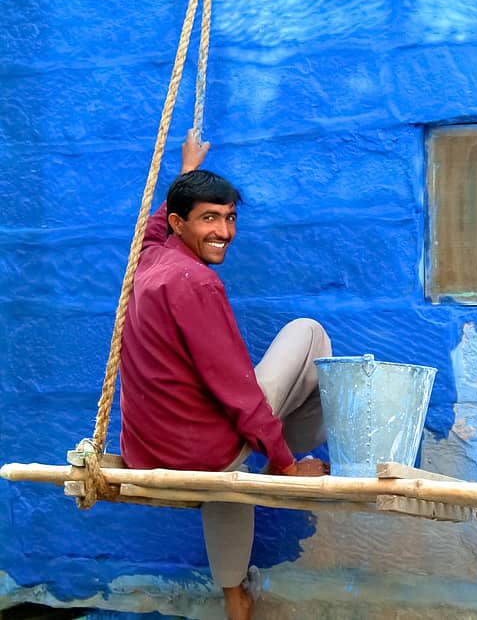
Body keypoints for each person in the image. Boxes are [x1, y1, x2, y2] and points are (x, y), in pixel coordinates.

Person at [119, 130, 331, 620]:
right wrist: (285, 464)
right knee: (310, 334)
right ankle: (277, 451)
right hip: (201, 451)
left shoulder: (150, 259)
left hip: (148, 450)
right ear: (181, 223)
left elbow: (153, 228)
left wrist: (186, 172)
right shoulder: (198, 283)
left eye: (230, 217)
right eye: (209, 218)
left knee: (228, 471)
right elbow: (236, 389)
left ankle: (235, 597)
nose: (224, 231)